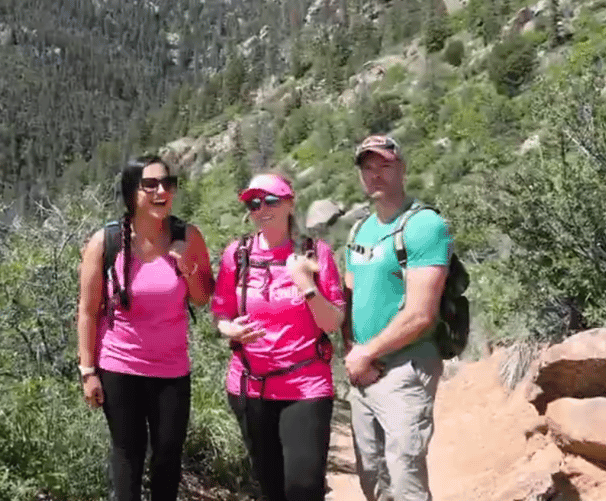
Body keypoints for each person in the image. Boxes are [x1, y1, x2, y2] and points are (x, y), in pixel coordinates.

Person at [76, 154, 215, 501]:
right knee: (128, 454)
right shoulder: (105, 242)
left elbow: (201, 297)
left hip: (171, 369)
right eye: (149, 185)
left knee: (168, 455)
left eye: (167, 184)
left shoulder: (188, 235)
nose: (160, 192)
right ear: (130, 193)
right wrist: (87, 371)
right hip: (120, 365)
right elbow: (88, 310)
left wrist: (187, 267)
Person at [211, 172, 346, 501]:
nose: (261, 208)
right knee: (271, 489)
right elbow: (221, 313)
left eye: (270, 200)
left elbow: (333, 322)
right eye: (253, 203)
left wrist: (307, 286)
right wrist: (231, 330)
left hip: (305, 386)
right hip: (249, 386)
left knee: (303, 488)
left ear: (290, 202)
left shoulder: (315, 254)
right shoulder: (237, 255)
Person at [341, 135, 451, 501]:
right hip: (363, 372)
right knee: (373, 477)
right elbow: (351, 298)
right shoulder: (360, 231)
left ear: (402, 168)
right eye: (368, 168)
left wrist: (365, 353)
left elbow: (420, 314)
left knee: (405, 477)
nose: (375, 175)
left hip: (406, 368)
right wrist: (354, 355)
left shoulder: (424, 226)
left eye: (384, 166)